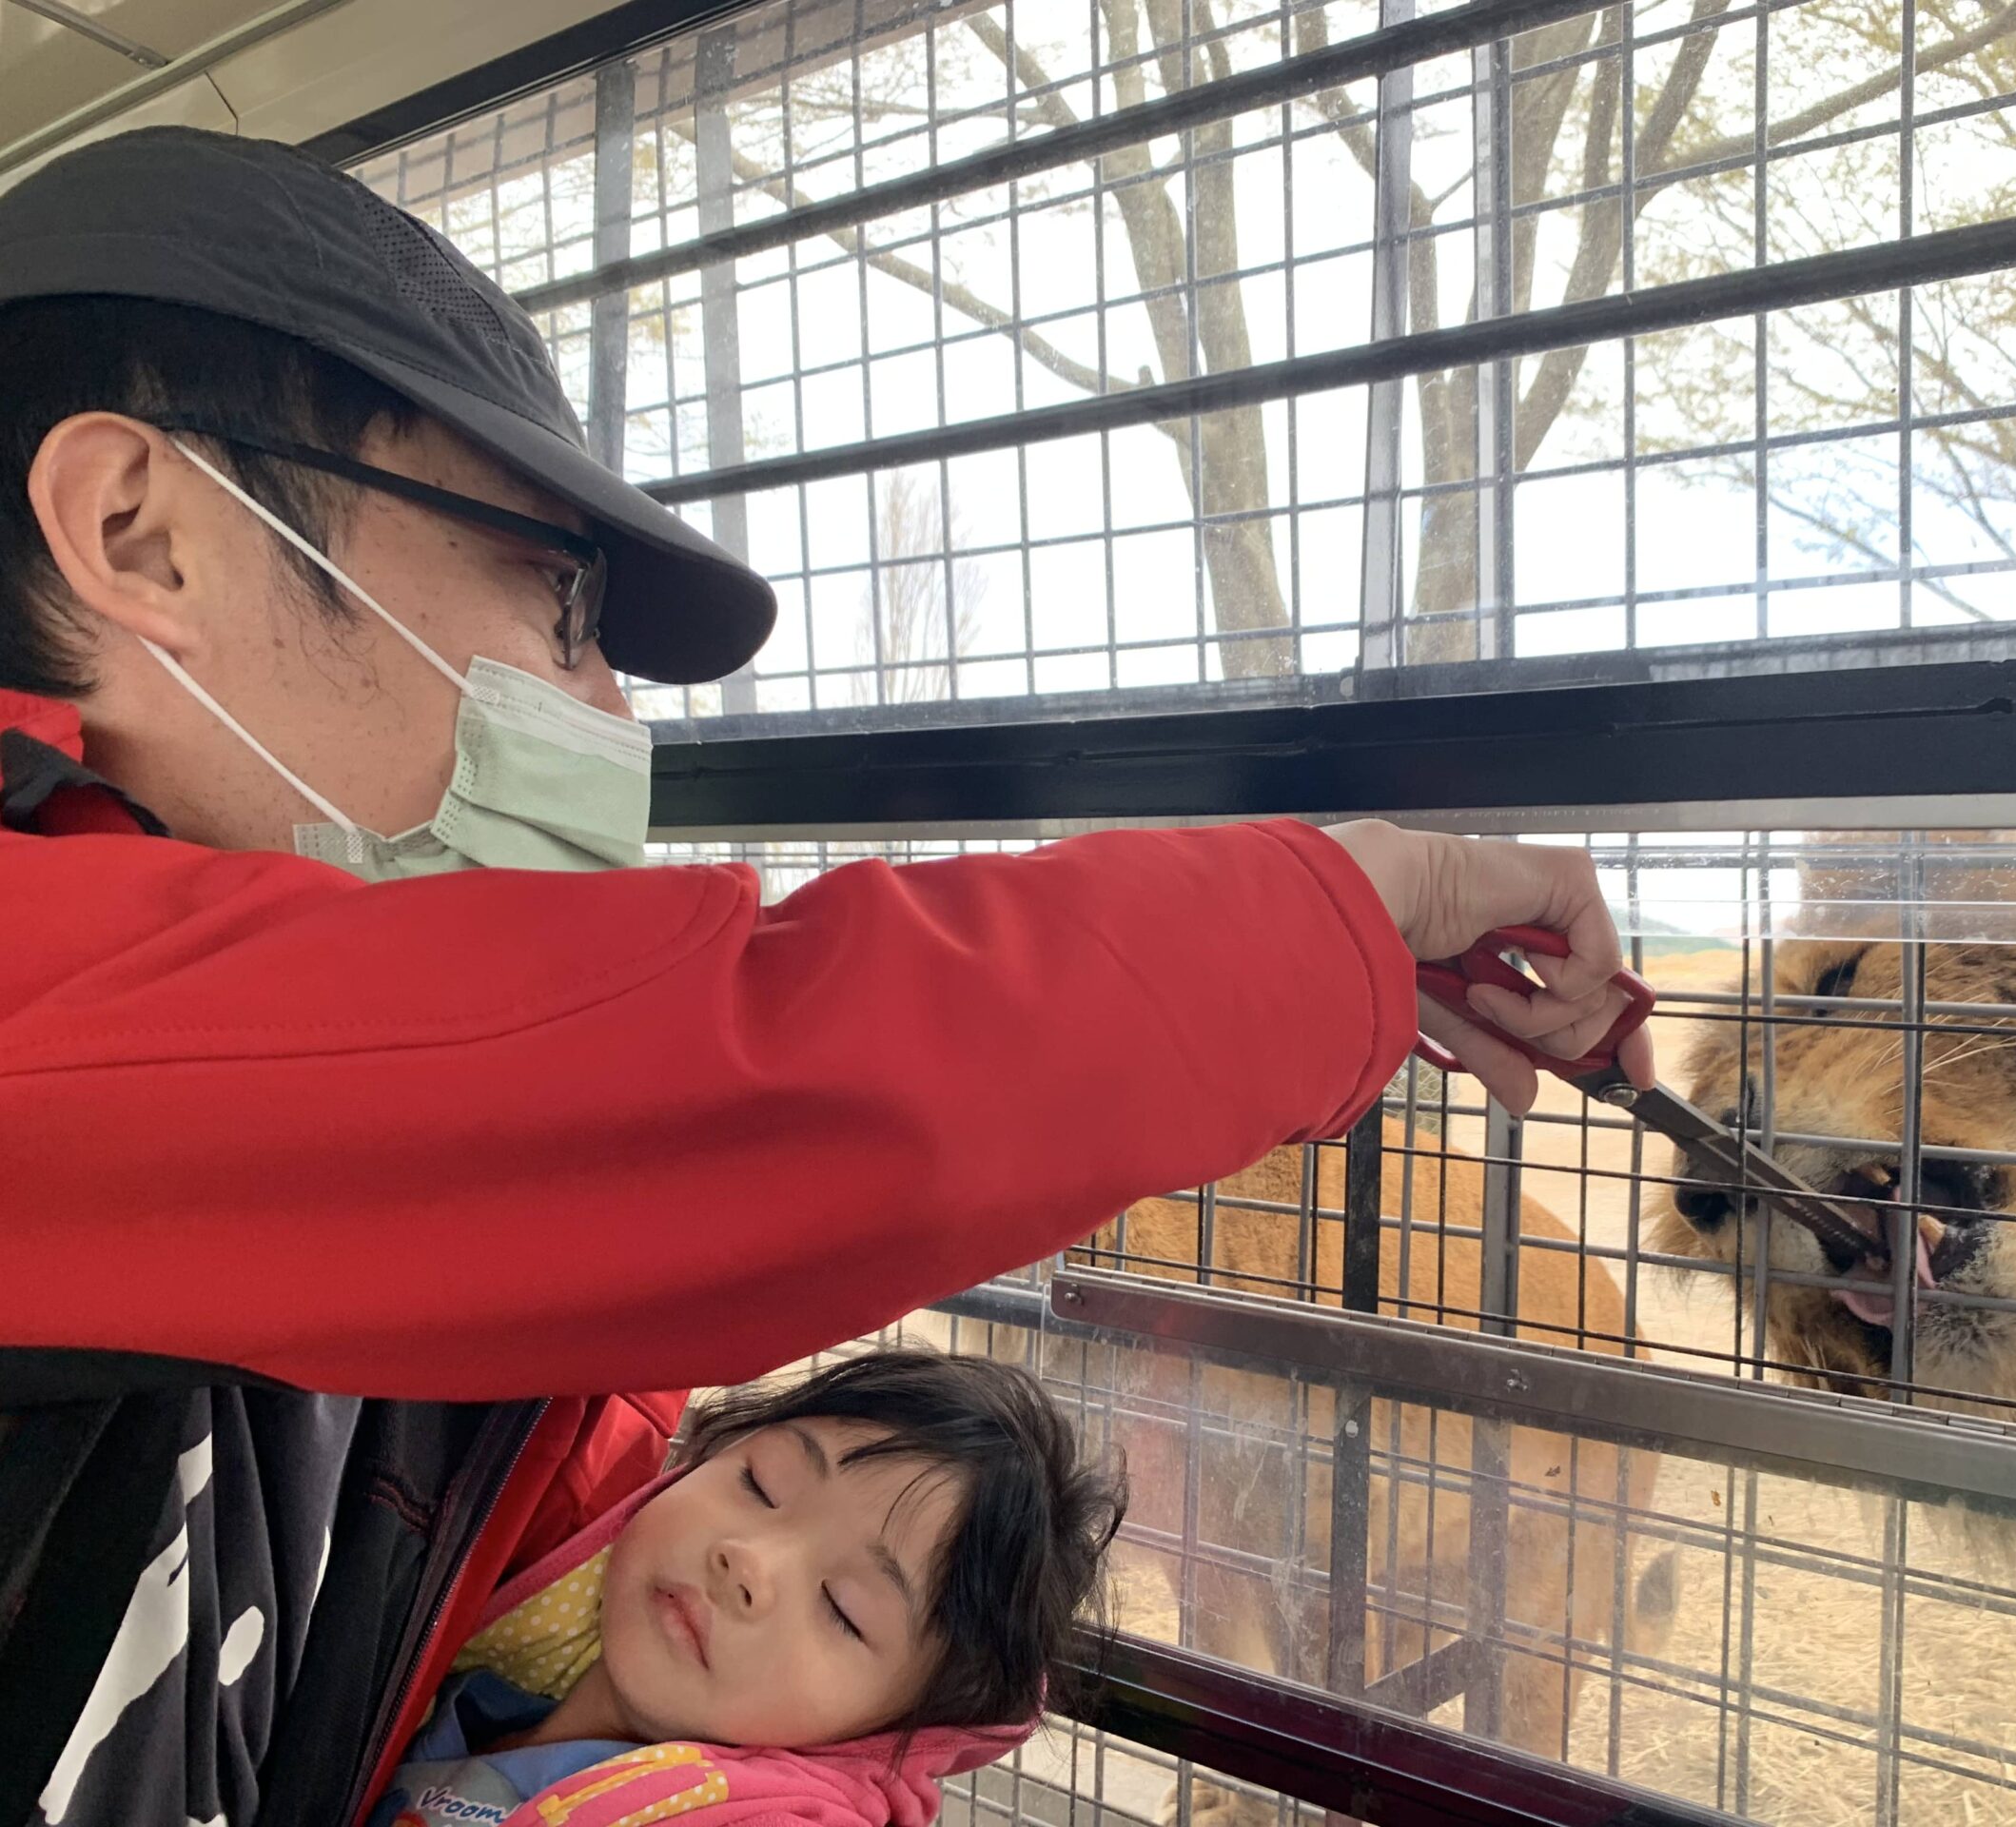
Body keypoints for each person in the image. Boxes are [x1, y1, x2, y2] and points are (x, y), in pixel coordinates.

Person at [0, 127, 1653, 1827]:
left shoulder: (349, 1196)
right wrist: (1348, 917)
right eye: (559, 600)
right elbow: (743, 1076)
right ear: (144, 536)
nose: (608, 718)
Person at [369, 1350, 1120, 1827]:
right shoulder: (465, 1689)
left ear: (886, 1732)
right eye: (761, 1484)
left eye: (843, 1609)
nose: (748, 1561)